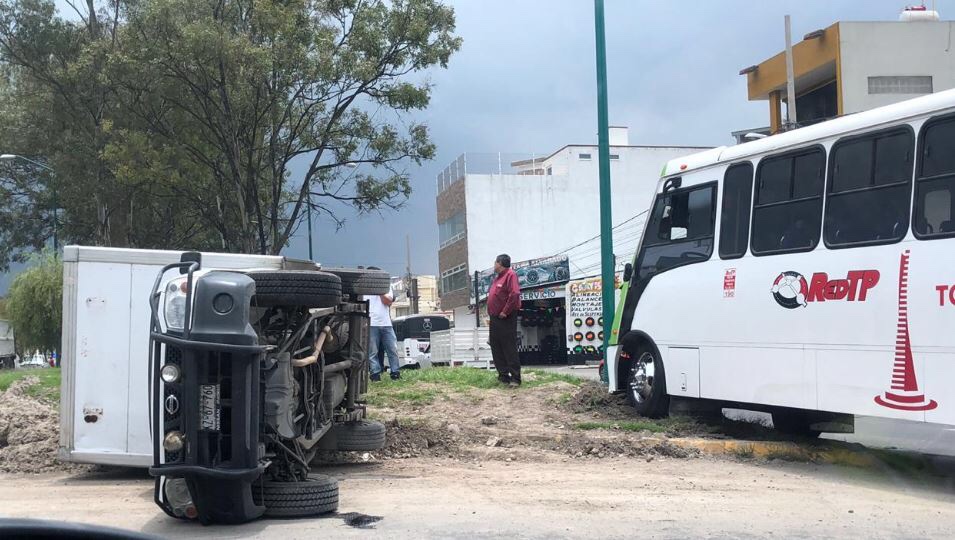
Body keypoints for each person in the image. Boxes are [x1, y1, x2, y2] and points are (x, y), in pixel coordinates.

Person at [487, 254, 522, 386]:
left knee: (508, 346)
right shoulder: (497, 278)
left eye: (495, 262)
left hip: (506, 317)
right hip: (495, 318)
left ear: (500, 263)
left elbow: (515, 294)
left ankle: (515, 378)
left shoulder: (510, 275)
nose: (494, 264)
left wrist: (504, 311)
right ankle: (503, 375)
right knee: (496, 346)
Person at [364, 267, 401, 381]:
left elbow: (388, 301)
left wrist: (379, 291)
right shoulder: (364, 288)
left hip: (386, 323)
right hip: (371, 322)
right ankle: (375, 374)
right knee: (372, 351)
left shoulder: (385, 286)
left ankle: (395, 372)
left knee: (392, 349)